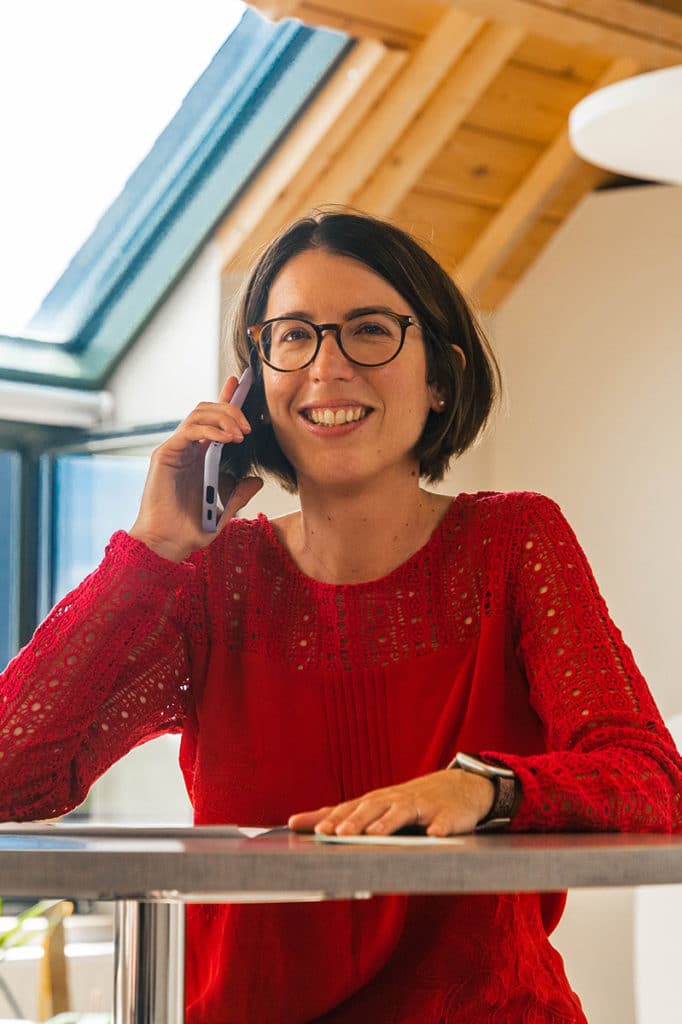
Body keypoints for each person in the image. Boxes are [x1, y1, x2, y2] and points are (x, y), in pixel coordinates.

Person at [0, 209, 680, 1023]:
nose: (327, 369)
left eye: (368, 331)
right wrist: (151, 547)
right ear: (253, 386)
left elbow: (648, 776)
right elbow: (15, 774)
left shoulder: (514, 542)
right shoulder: (215, 580)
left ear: (439, 377)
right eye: (293, 337)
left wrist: (484, 790)